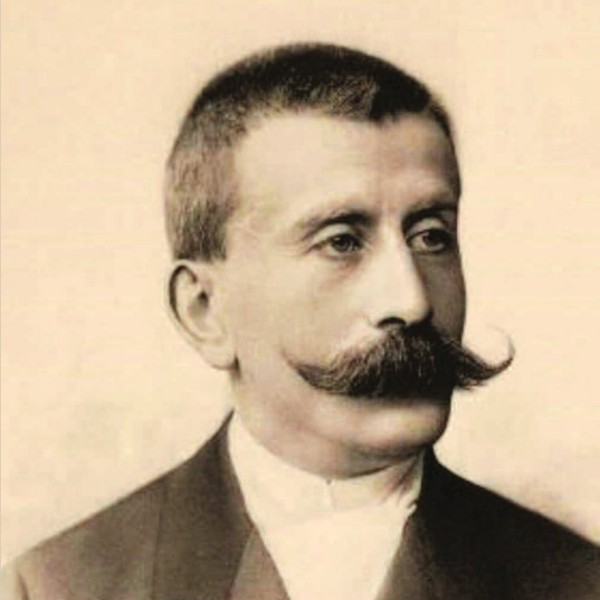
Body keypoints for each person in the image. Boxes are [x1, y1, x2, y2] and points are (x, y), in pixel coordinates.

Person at [2, 43, 599, 600]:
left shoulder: (579, 581)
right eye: (341, 242)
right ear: (205, 311)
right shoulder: (55, 586)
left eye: (431, 236)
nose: (412, 302)